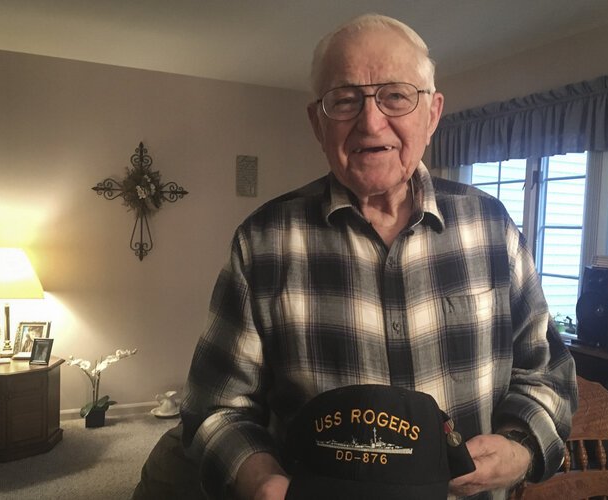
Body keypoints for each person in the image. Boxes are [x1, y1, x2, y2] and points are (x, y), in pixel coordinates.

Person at [180, 13, 577, 500]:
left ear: (431, 114)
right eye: (344, 100)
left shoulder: (492, 227)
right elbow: (215, 409)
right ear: (317, 123)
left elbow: (547, 375)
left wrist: (521, 449)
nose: (371, 121)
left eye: (395, 95)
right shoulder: (263, 242)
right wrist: (260, 479)